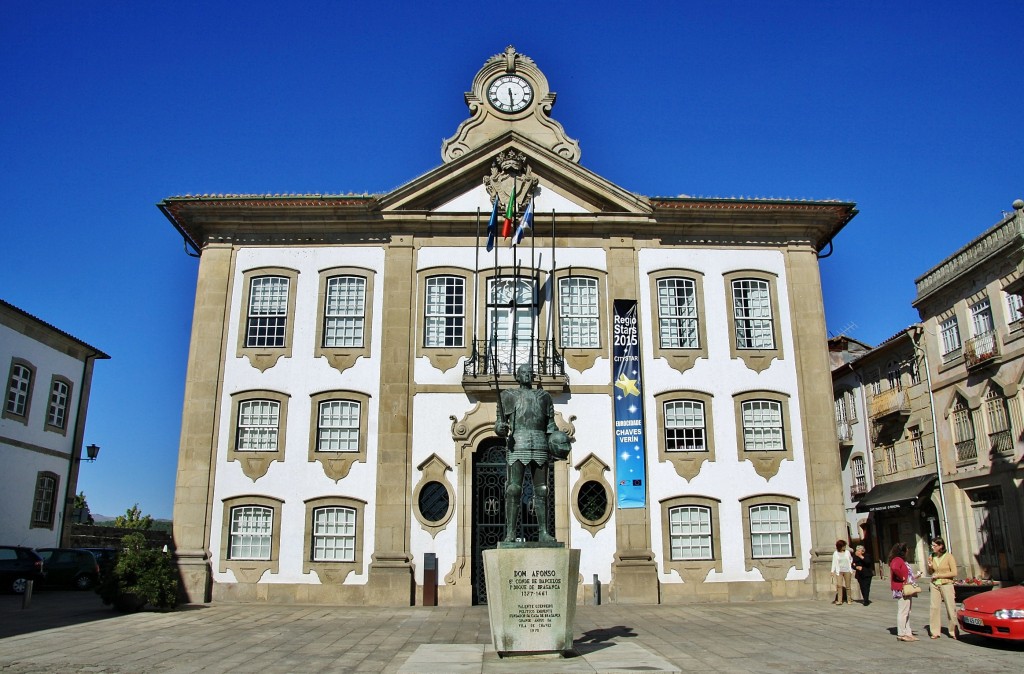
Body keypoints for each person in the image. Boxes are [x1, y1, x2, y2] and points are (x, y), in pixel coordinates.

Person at [495, 364, 558, 543]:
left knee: (542, 489)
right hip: (518, 443)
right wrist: (500, 428)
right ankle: (511, 532)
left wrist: (557, 439)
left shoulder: (544, 397)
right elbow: (499, 424)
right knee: (514, 489)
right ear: (518, 376)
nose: (527, 375)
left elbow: (550, 425)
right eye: (524, 372)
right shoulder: (508, 396)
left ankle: (543, 532)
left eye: (530, 372)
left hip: (539, 443)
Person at [926, 537, 959, 639]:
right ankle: (935, 631)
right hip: (935, 584)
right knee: (934, 608)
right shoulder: (932, 556)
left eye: (934, 545)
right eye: (932, 545)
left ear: (941, 546)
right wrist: (930, 566)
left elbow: (954, 573)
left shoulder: (949, 557)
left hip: (946, 584)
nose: (932, 547)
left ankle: (953, 631)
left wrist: (940, 576)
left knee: (950, 607)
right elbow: (931, 573)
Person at [889, 542, 918, 642]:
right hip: (901, 588)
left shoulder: (901, 560)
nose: (908, 551)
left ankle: (908, 632)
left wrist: (913, 577)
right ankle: (901, 633)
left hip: (906, 587)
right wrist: (902, 577)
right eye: (907, 549)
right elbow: (895, 568)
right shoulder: (897, 560)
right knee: (903, 611)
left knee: (907, 611)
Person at [831, 539, 854, 605]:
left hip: (847, 570)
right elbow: (834, 562)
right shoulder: (835, 553)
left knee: (848, 586)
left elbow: (851, 559)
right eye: (844, 546)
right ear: (840, 546)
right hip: (839, 571)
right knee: (839, 585)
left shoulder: (847, 552)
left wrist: (850, 563)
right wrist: (832, 571)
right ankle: (839, 600)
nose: (845, 547)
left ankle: (849, 599)